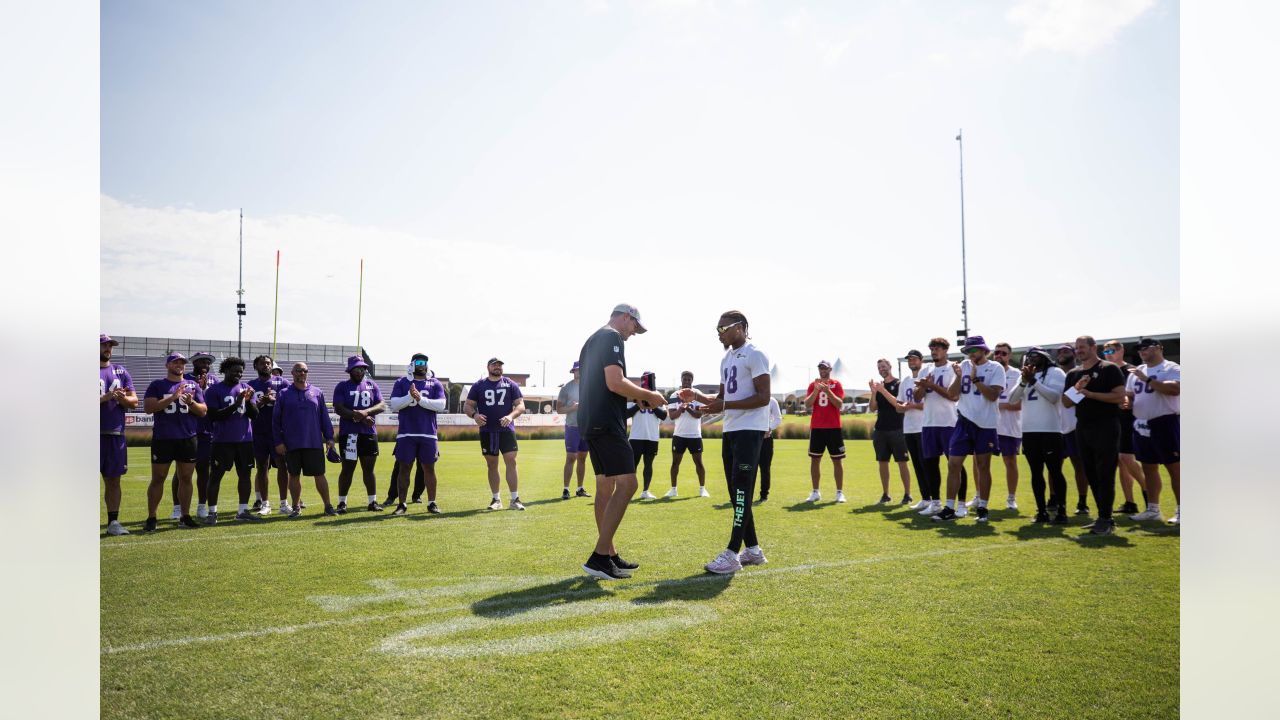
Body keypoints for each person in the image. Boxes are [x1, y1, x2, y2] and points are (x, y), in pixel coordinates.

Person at [578, 304, 667, 580]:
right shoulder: (611, 336)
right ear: (626, 318)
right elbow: (614, 382)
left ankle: (609, 554)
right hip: (606, 422)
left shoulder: (595, 337)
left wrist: (637, 395)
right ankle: (599, 556)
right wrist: (649, 395)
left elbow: (607, 383)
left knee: (605, 486)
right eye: (634, 327)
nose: (634, 333)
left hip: (592, 420)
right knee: (629, 483)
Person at [681, 310, 771, 574]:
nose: (719, 333)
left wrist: (723, 405)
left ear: (740, 328)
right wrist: (698, 396)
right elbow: (722, 397)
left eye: (724, 328)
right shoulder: (726, 358)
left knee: (742, 490)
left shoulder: (756, 354)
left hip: (750, 430)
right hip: (731, 430)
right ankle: (753, 550)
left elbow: (763, 397)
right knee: (735, 492)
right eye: (717, 329)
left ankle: (732, 553)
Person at [932, 336, 1006, 523]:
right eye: (968, 350)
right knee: (953, 464)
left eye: (974, 350)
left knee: (983, 466)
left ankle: (982, 506)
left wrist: (975, 380)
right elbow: (952, 394)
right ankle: (949, 507)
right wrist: (958, 377)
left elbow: (992, 396)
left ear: (983, 350)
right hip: (963, 421)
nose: (970, 353)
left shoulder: (995, 368)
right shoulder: (963, 365)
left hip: (985, 423)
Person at [1061, 336, 1128, 535]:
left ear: (1093, 347)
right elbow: (1066, 402)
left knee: (1105, 472)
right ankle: (1103, 516)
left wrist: (1091, 394)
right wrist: (1078, 388)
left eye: (1082, 347)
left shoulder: (1108, 369)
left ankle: (1106, 518)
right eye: (1076, 348)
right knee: (1090, 472)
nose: (1079, 350)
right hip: (1083, 426)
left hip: (1106, 425)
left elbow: (1119, 396)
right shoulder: (1074, 374)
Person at [142, 353, 207, 531]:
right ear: (167, 365)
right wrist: (172, 397)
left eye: (182, 362)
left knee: (186, 478)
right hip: (164, 438)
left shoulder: (192, 385)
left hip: (188, 437)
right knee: (158, 478)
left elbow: (203, 411)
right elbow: (148, 408)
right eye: (175, 362)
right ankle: (152, 517)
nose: (179, 365)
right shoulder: (157, 384)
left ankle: (185, 516)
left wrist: (191, 402)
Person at [1009, 348, 1069, 523]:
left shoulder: (1055, 372)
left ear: (1045, 358)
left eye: (1036, 356)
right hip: (1029, 431)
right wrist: (1023, 382)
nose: (1032, 360)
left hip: (1050, 430)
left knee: (1055, 471)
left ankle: (1061, 511)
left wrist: (1033, 381)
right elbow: (1012, 399)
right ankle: (1041, 511)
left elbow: (1054, 397)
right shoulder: (1025, 376)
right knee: (1036, 473)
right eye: (1029, 357)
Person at [271, 362, 338, 517]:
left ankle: (328, 506)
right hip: (291, 443)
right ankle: (296, 507)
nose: (302, 373)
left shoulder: (317, 392)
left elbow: (324, 417)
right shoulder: (283, 393)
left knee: (319, 474)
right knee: (293, 475)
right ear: (292, 373)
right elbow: (276, 421)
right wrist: (278, 442)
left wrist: (329, 437)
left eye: (305, 371)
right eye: (299, 371)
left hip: (313, 442)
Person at [1126, 338, 1180, 524]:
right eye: (1139, 349)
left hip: (1165, 421)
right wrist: (1127, 403)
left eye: (1145, 348)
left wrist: (1147, 379)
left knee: (1174, 467)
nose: (1141, 351)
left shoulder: (1171, 368)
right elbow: (1131, 396)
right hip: (1141, 423)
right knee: (1148, 466)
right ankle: (1153, 509)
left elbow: (1175, 389)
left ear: (1158, 348)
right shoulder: (1136, 372)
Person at [203, 357, 263, 524]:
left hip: (245, 440)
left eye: (241, 372)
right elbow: (214, 415)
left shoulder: (246, 388)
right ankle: (212, 512)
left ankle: (243, 510)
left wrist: (249, 402)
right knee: (215, 476)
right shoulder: (214, 390)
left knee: (245, 475)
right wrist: (236, 404)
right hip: (222, 440)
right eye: (235, 371)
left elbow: (254, 415)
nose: (238, 374)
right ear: (225, 371)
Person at [386, 353, 447, 515]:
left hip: (428, 433)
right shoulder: (401, 382)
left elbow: (441, 405)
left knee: (429, 468)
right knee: (404, 468)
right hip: (406, 433)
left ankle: (432, 503)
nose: (422, 365)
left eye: (425, 362)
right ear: (412, 364)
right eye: (419, 362)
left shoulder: (434, 383)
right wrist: (409, 396)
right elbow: (394, 404)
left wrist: (420, 399)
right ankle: (402, 504)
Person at [915, 338, 969, 517]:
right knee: (930, 465)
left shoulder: (953, 368)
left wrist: (931, 386)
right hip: (929, 423)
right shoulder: (926, 368)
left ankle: (961, 504)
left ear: (946, 350)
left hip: (949, 423)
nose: (933, 351)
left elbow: (953, 396)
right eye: (931, 348)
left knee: (955, 465)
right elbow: (917, 397)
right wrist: (923, 387)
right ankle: (936, 502)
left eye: (937, 348)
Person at [465, 358, 527, 511]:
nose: (498, 367)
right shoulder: (479, 385)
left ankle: (515, 499)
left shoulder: (510, 384)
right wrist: (475, 416)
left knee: (511, 462)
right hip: (487, 430)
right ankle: (496, 499)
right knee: (492, 465)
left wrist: (511, 416)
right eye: (494, 365)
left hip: (506, 430)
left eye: (500, 365)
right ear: (488, 367)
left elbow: (520, 405)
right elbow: (468, 405)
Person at [332, 355, 387, 513]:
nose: (360, 371)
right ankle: (342, 503)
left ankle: (372, 502)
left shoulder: (372, 385)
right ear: (350, 370)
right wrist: (361, 418)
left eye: (362, 368)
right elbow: (339, 408)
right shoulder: (342, 386)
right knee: (348, 468)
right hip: (350, 434)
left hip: (368, 434)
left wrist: (366, 412)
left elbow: (382, 405)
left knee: (369, 469)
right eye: (356, 368)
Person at [170, 351, 218, 520]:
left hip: (206, 431)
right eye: (201, 361)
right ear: (194, 363)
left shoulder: (214, 380)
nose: (204, 364)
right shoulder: (186, 378)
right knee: (181, 472)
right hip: (186, 430)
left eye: (207, 362)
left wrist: (204, 389)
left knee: (204, 470)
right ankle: (177, 507)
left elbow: (212, 404)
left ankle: (201, 505)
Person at [100, 334, 138, 536]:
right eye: (103, 345)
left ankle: (113, 522)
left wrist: (122, 399)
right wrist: (105, 397)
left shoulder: (121, 371)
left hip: (115, 433)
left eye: (109, 345)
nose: (107, 348)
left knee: (114, 480)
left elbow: (135, 401)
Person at [1103, 339, 1145, 515]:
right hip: (1112, 419)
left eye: (1112, 350)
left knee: (1126, 458)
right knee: (1120, 461)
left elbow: (1137, 393)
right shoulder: (1106, 370)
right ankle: (1130, 502)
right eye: (1106, 352)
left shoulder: (1131, 370)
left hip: (1129, 419)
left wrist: (1128, 401)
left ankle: (1148, 490)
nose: (1109, 354)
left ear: (1121, 350)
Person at [248, 355, 289, 515]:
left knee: (282, 466)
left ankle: (284, 503)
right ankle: (265, 503)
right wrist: (260, 403)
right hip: (258, 431)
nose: (265, 365)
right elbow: (248, 409)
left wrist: (274, 400)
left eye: (268, 363)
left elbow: (289, 404)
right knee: (262, 467)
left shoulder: (282, 382)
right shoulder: (250, 385)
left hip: (277, 432)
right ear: (256, 366)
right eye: (262, 363)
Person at [869, 358, 912, 505]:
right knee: (882, 462)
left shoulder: (899, 384)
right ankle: (885, 494)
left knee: (902, 462)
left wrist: (883, 390)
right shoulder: (879, 386)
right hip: (880, 429)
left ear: (890, 366)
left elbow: (898, 404)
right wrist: (874, 392)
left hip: (898, 429)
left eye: (884, 366)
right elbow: (873, 408)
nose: (882, 369)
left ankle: (907, 494)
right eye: (879, 367)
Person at [804, 360, 846, 503]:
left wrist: (828, 391)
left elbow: (839, 404)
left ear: (830, 369)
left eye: (825, 368)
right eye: (821, 368)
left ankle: (839, 492)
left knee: (837, 460)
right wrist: (816, 389)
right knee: (815, 460)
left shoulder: (836, 384)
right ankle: (815, 491)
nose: (823, 370)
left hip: (834, 427)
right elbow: (807, 404)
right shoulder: (812, 385)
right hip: (817, 427)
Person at [1056, 344, 1090, 515]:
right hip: (1055, 426)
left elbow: (1076, 398)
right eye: (1059, 352)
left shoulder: (1080, 373)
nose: (1062, 354)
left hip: (1074, 425)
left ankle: (1082, 501)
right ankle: (1054, 499)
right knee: (1054, 466)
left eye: (1066, 351)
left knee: (1079, 465)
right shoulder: (1053, 374)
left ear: (1074, 354)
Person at [666, 370, 708, 498]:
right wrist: (680, 408)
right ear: (681, 380)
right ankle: (673, 489)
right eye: (685, 379)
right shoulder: (674, 395)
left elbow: (699, 415)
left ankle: (702, 489)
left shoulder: (697, 394)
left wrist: (688, 407)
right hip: (679, 435)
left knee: (699, 463)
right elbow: (672, 416)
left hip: (694, 435)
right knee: (675, 463)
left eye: (689, 380)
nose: (687, 381)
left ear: (692, 381)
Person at [993, 342, 1023, 511]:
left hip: (1010, 426)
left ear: (1009, 356)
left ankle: (1011, 498)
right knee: (979, 461)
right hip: (988, 425)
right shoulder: (987, 372)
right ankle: (978, 495)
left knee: (1010, 461)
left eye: (1003, 353)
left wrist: (998, 405)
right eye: (997, 352)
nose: (999, 355)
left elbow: (1019, 404)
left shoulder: (1017, 374)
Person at [630, 372, 669, 500]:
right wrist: (638, 403)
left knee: (648, 465)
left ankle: (645, 491)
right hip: (636, 436)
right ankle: (628, 492)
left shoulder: (657, 395)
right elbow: (625, 413)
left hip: (652, 436)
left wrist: (653, 404)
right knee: (632, 466)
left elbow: (663, 415)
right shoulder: (636, 393)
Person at [556, 362, 591, 500]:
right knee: (571, 458)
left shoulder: (590, 387)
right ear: (573, 371)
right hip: (572, 427)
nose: (579, 372)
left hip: (586, 427)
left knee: (582, 458)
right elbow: (559, 409)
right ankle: (566, 489)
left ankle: (580, 488)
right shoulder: (566, 388)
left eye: (581, 370)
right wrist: (573, 408)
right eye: (576, 370)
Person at [757, 395, 783, 503]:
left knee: (765, 468)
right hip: (751, 439)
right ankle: (745, 494)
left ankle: (764, 495)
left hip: (766, 440)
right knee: (749, 468)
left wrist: (770, 427)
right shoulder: (751, 398)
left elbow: (778, 418)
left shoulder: (772, 401)